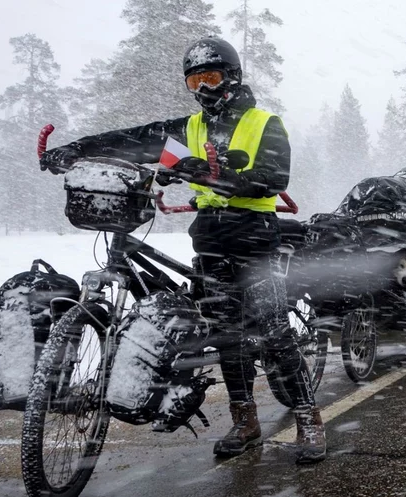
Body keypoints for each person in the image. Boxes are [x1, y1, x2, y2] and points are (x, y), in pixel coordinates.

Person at [38, 37, 326, 464]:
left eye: (211, 77)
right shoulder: (190, 129)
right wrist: (78, 150)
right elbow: (132, 141)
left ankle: (308, 419)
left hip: (253, 233)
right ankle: (245, 420)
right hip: (210, 236)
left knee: (272, 329)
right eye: (195, 81)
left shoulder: (265, 123)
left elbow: (273, 178)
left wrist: (215, 176)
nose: (204, 89)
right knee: (228, 333)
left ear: (232, 77)